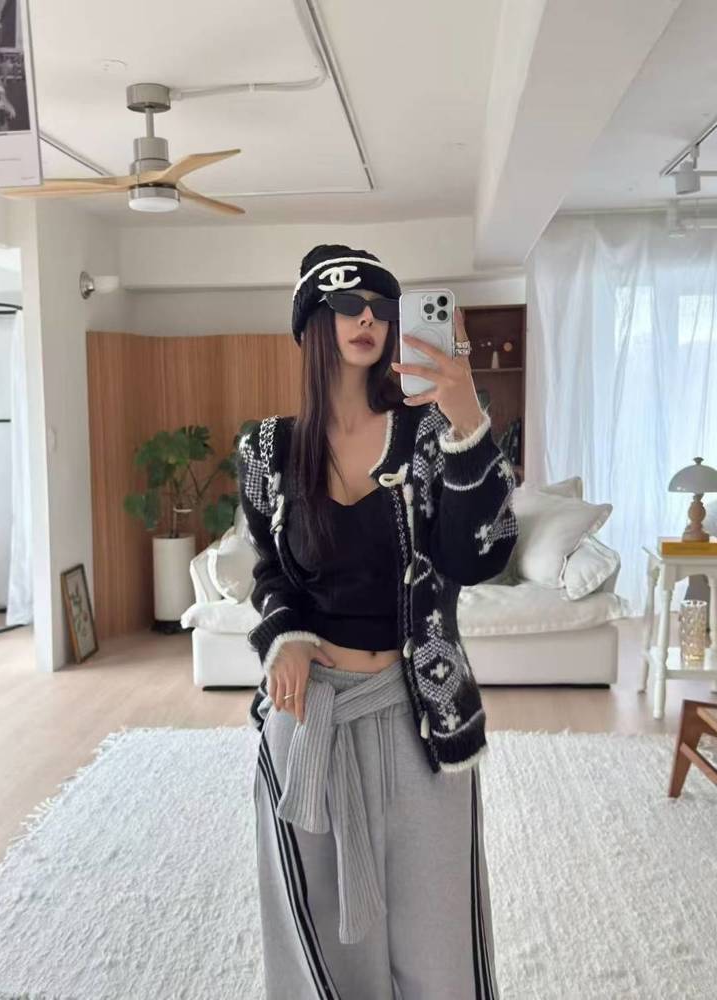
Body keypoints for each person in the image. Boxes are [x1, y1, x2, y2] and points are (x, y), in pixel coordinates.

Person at [237, 244, 518, 999]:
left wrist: (466, 417)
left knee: (439, 944)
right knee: (318, 943)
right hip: (308, 717)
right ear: (312, 322)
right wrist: (283, 638)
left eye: (381, 308)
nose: (367, 319)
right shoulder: (266, 449)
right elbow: (266, 570)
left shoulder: (429, 434)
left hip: (419, 715)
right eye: (346, 305)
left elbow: (480, 556)